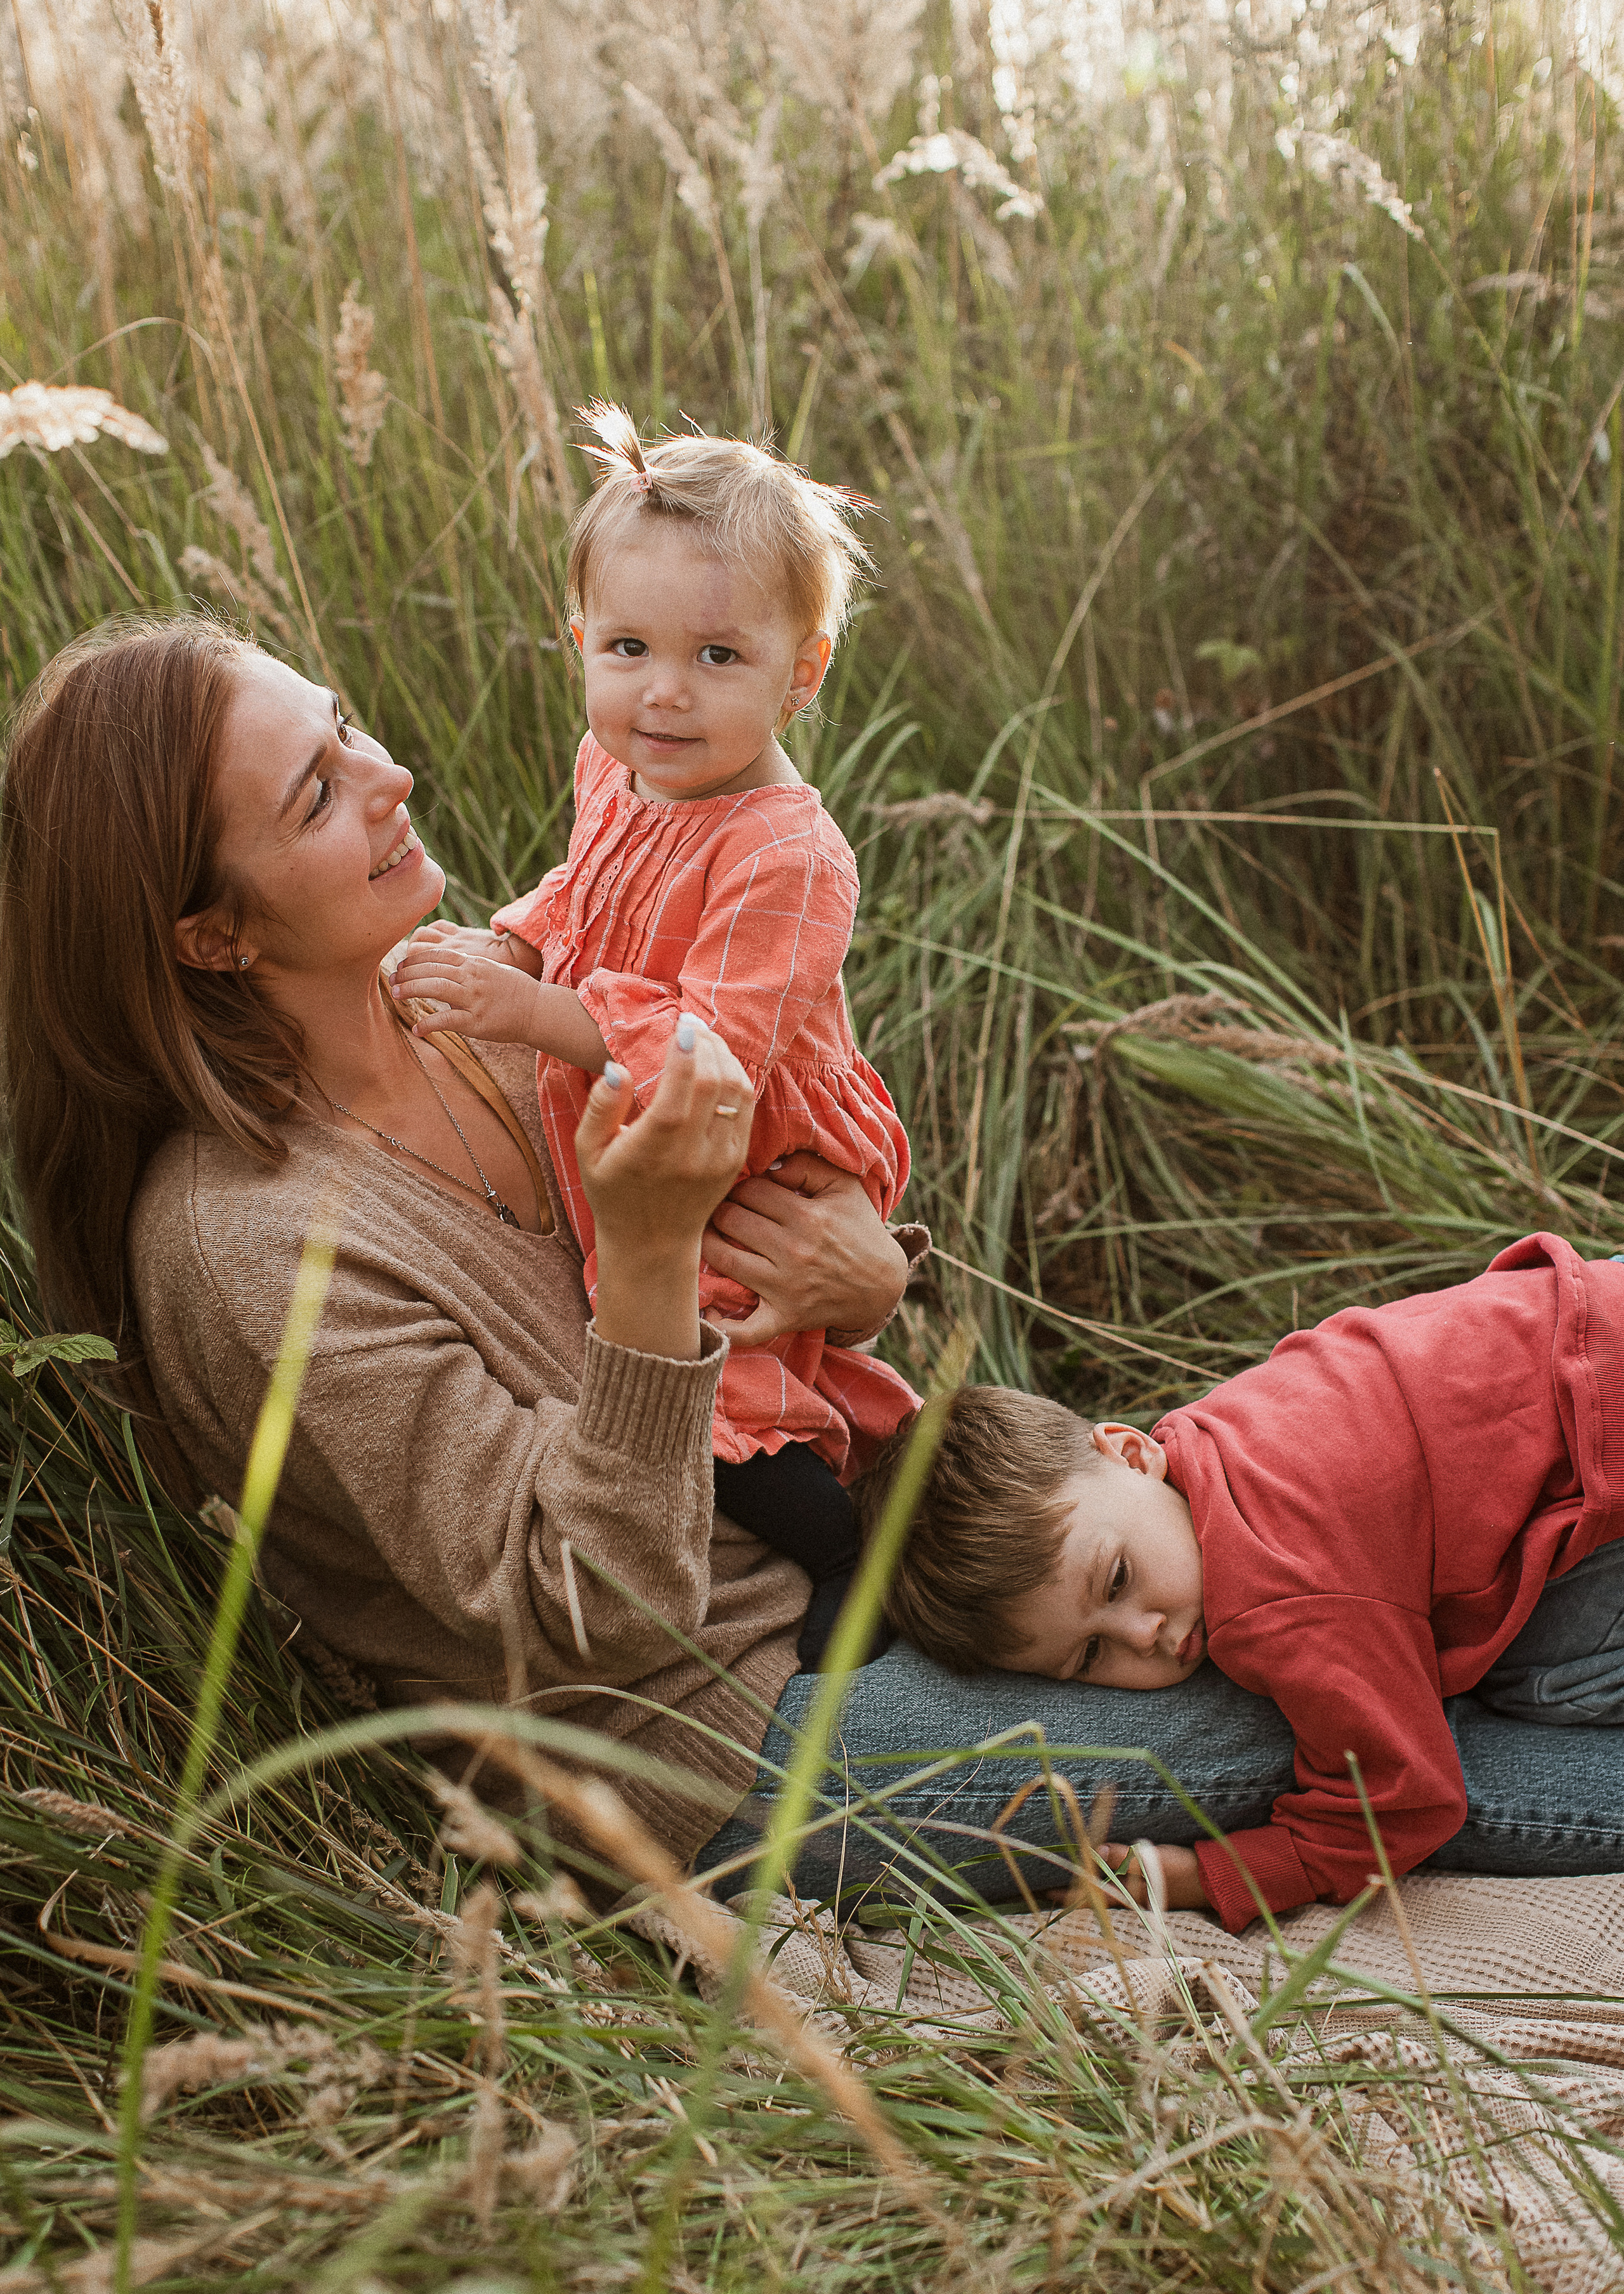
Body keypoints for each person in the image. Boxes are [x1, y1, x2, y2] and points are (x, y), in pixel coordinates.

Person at [6, 615, 1624, 1920]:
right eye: (316, 793)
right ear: (210, 936)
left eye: (348, 724)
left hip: (870, 1555)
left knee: (1362, 1547)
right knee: (1315, 1712)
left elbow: (780, 1170)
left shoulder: (495, 1000)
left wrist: (860, 1274)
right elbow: (583, 1607)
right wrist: (641, 1270)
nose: (394, 774)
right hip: (715, 1731)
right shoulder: (241, 1246)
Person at [388, 407, 917, 1666]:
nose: (663, 692)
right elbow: (584, 888)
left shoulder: (786, 851)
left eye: (719, 656)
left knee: (723, 1394)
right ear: (579, 643)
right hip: (651, 1105)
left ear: (804, 670)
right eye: (627, 647)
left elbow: (710, 1051)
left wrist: (530, 1013)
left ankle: (846, 1542)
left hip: (756, 1145)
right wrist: (517, 942)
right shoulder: (618, 764)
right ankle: (885, 1460)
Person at [854, 1237, 1624, 1928]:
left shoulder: (1273, 1600)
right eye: (1090, 1658)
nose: (1143, 1635)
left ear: (1127, 1451)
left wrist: (1209, 1874)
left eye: (1117, 1580)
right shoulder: (1227, 1426)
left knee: (1541, 1682)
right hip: (1588, 1314)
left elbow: (1406, 1801)